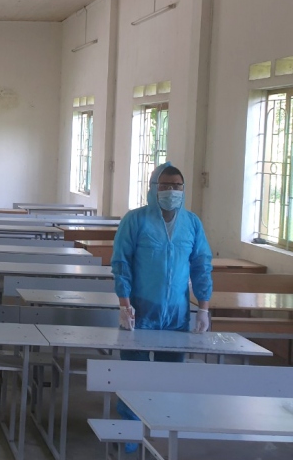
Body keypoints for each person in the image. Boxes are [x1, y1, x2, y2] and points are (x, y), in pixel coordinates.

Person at [111, 162, 212, 453]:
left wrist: (203, 308)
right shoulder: (136, 220)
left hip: (177, 315)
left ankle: (162, 427)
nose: (171, 191)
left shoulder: (192, 223)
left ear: (183, 189)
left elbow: (201, 265)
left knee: (170, 377)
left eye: (177, 186)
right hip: (140, 312)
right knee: (134, 375)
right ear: (153, 189)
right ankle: (130, 432)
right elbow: (122, 263)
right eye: (165, 186)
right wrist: (124, 305)